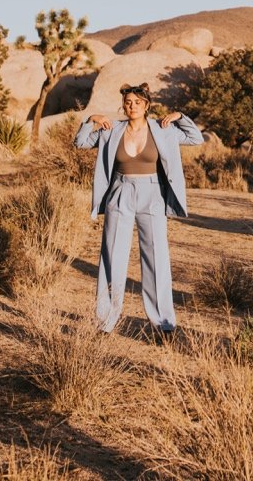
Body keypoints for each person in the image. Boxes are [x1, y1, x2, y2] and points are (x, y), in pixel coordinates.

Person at [75, 83, 203, 335]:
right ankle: (105, 321)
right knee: (112, 256)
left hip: (152, 194)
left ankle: (163, 324)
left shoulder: (162, 129)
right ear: (123, 105)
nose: (132, 106)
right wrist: (91, 119)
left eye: (137, 102)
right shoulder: (111, 130)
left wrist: (180, 116)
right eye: (128, 102)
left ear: (147, 105)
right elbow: (80, 143)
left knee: (156, 257)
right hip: (120, 193)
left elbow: (195, 137)